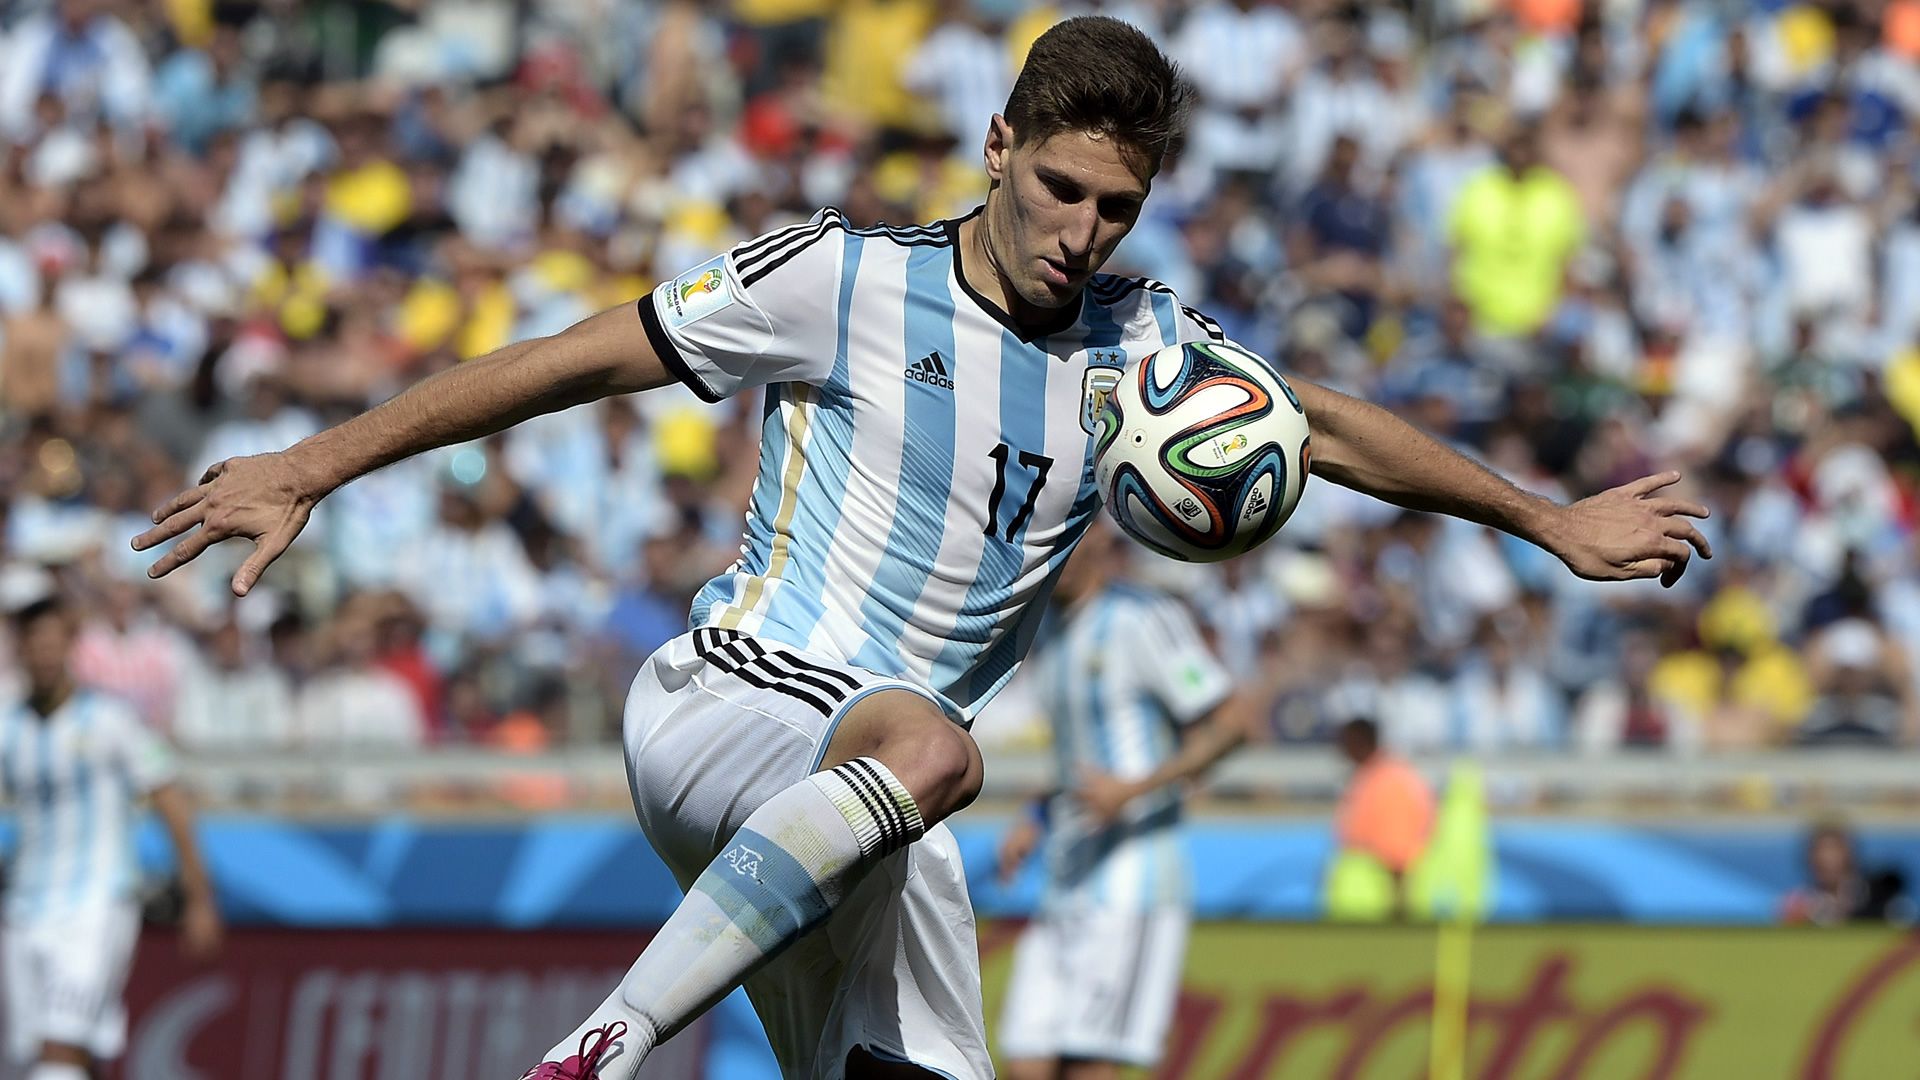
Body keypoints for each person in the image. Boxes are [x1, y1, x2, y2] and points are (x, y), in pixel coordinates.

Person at [132, 17, 1711, 1080]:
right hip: (730, 700)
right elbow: (574, 358)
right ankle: (599, 1047)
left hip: (874, 811)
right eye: (1062, 186)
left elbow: (1335, 428)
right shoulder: (841, 277)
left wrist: (1543, 519)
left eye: (1119, 206)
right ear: (998, 141)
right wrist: (315, 464)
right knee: (935, 745)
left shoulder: (1143, 342)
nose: (1082, 232)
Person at [993, 522, 1257, 1080]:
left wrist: (1133, 791)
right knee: (1026, 1059)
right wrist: (1037, 815)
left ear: (1093, 541)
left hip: (1132, 879)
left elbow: (1232, 724)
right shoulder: (1048, 632)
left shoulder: (1142, 617)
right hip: (1066, 873)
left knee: (1091, 1063)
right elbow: (1078, 761)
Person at [0, 588, 222, 1080]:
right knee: (42, 1057)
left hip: (94, 905)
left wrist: (199, 896)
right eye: (32, 642)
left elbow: (170, 797)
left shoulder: (112, 720)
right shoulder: (9, 727)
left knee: (58, 1048)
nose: (42, 653)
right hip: (23, 909)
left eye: (52, 642)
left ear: (70, 647)